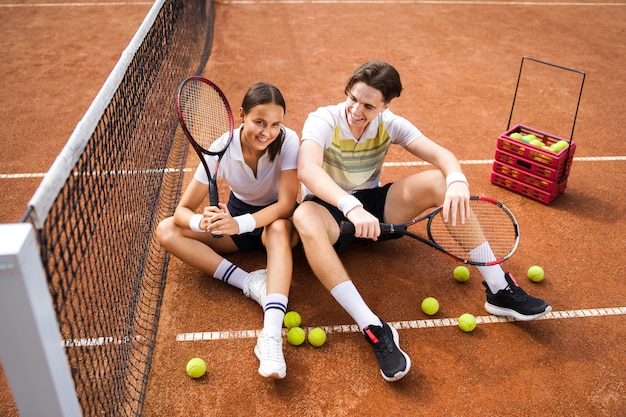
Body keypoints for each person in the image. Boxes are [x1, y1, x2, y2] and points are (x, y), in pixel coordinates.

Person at [293, 61, 551, 382]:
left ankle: (499, 289)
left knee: (439, 183)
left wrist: (457, 180)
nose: (357, 110)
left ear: (386, 106)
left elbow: (442, 155)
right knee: (303, 216)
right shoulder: (323, 120)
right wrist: (350, 207)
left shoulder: (390, 124)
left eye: (369, 105)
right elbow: (308, 170)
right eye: (353, 99)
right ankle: (373, 327)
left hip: (374, 209)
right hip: (329, 211)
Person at [156, 82, 300, 379]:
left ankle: (270, 336)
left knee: (277, 229)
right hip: (235, 222)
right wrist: (204, 221)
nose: (267, 132)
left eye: (275, 124)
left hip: (276, 225)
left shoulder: (288, 141)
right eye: (259, 122)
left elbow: (286, 204)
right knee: (166, 230)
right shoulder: (220, 147)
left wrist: (240, 223)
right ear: (242, 115)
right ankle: (251, 283)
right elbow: (181, 212)